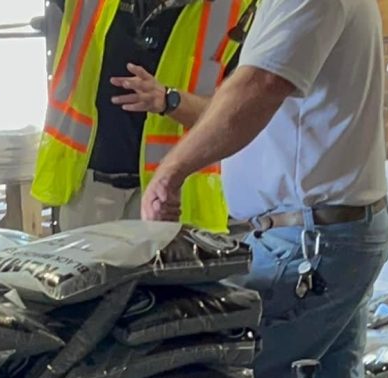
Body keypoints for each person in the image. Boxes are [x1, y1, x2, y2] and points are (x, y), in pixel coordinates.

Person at [142, 0, 388, 378]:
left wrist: (171, 171)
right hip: (326, 234)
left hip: (308, 244)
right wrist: (171, 102)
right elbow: (249, 98)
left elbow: (259, 85)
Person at [33, 0, 257, 233]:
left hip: (176, 198)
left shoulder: (237, 11)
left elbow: (236, 117)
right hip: (89, 189)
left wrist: (169, 100)